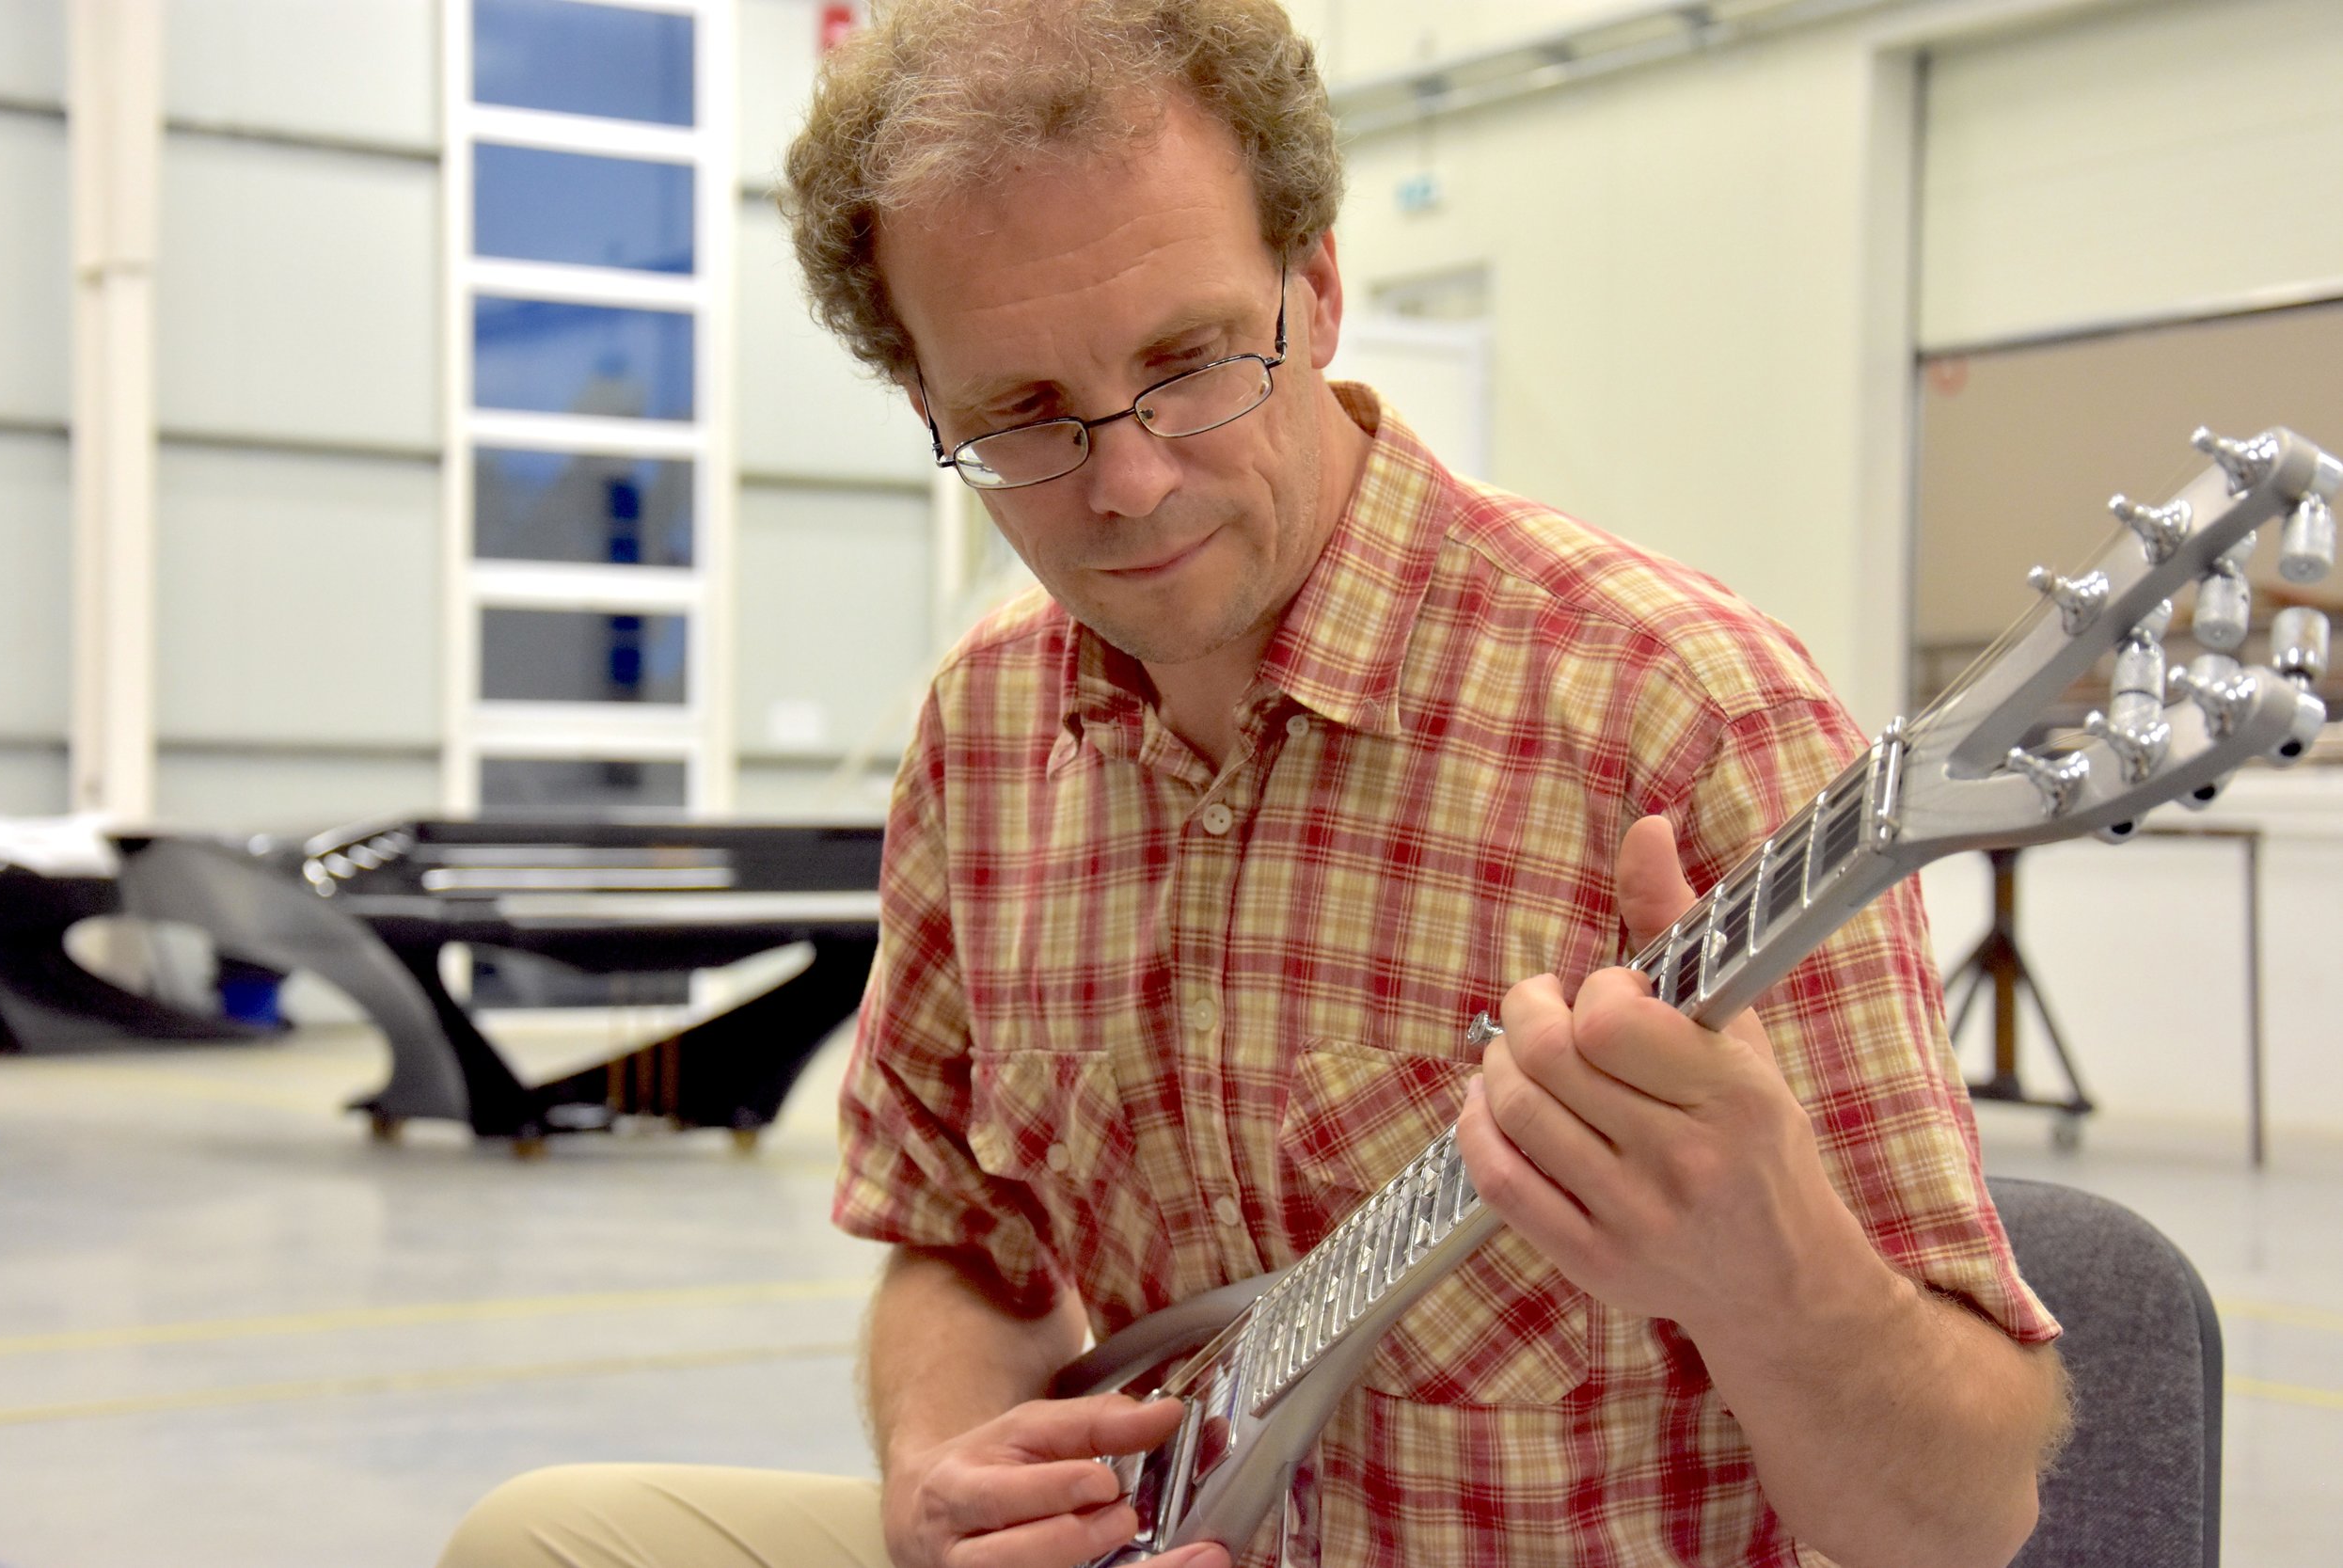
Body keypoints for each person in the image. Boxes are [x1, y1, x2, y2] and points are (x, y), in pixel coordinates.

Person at [439, 3, 2069, 1565]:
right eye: (1022, 417)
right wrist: (951, 1481)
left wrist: (1772, 1278)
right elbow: (958, 1244)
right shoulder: (990, 730)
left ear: (1322, 289)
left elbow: (1966, 1511)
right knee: (542, 1540)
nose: (1130, 484)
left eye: (1194, 359)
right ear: (925, 407)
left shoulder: (1682, 716)